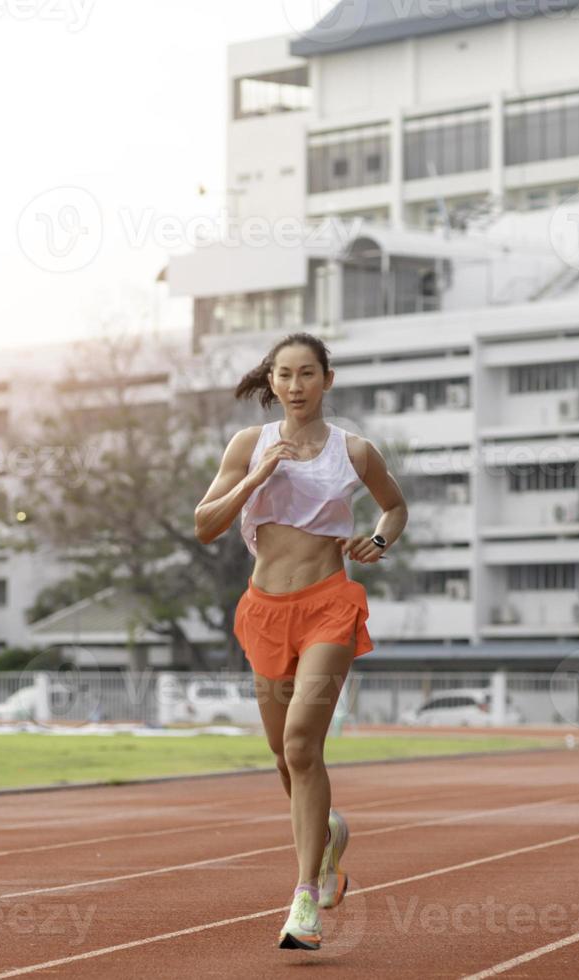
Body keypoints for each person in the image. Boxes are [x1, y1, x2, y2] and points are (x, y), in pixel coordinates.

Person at [194, 331, 408, 950]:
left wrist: (380, 541)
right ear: (272, 382)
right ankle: (329, 836)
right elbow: (206, 525)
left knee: (301, 743)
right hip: (263, 609)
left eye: (307, 374)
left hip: (328, 606)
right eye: (283, 375)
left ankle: (304, 899)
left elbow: (393, 508)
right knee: (285, 758)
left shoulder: (354, 450)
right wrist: (258, 473)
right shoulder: (247, 444)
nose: (295, 386)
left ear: (326, 380)